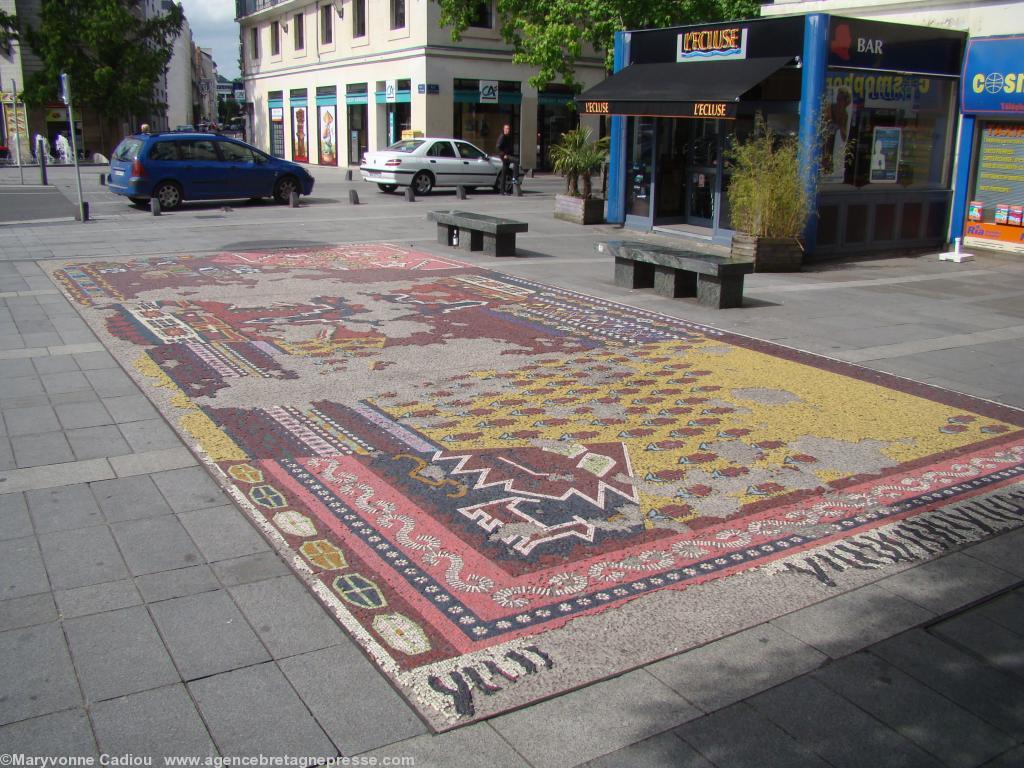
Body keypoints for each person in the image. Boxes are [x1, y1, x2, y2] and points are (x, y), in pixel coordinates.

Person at [496, 123, 514, 194]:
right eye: (506, 129)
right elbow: (498, 147)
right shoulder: (502, 137)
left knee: (504, 173)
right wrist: (503, 155)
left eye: (508, 129)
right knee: (516, 161)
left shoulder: (508, 137)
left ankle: (502, 190)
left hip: (508, 155)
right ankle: (514, 179)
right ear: (503, 129)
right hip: (505, 156)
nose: (507, 130)